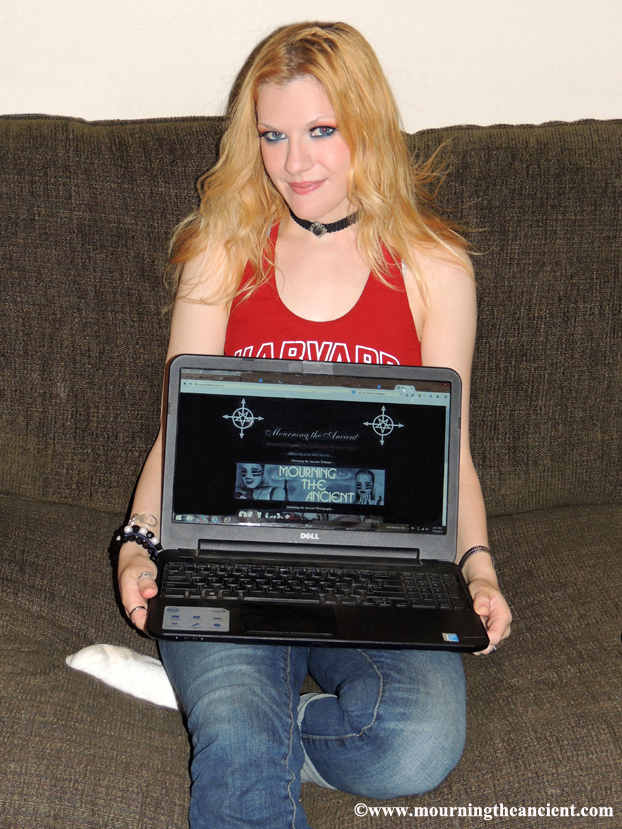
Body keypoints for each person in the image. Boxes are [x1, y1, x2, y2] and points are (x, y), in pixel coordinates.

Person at [117, 21, 512, 829]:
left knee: (416, 743)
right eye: (273, 135)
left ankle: (240, 722)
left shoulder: (434, 265)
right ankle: (231, 718)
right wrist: (137, 542)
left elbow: (452, 451)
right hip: (227, 553)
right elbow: (177, 428)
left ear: (368, 124)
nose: (294, 162)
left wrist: (477, 566)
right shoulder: (222, 250)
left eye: (321, 131)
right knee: (237, 735)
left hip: (378, 564)